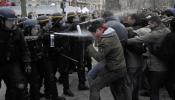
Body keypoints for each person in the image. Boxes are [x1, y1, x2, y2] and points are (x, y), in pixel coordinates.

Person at [128, 16, 170, 100]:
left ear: (155, 23)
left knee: (154, 90)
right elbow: (148, 31)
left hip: (157, 66)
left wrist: (125, 41)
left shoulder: (155, 34)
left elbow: (140, 39)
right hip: (165, 63)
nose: (148, 25)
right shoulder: (166, 30)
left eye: (150, 23)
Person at [87, 20, 127, 100]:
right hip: (118, 67)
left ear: (100, 29)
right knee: (116, 91)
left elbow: (99, 57)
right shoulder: (109, 33)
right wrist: (98, 38)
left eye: (94, 33)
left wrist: (89, 46)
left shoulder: (107, 41)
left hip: (114, 69)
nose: (93, 35)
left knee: (94, 87)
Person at [0, 8, 30, 100]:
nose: (13, 23)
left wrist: (27, 62)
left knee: (18, 87)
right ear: (1, 20)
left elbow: (24, 48)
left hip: (13, 63)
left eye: (14, 20)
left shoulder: (18, 32)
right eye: (10, 21)